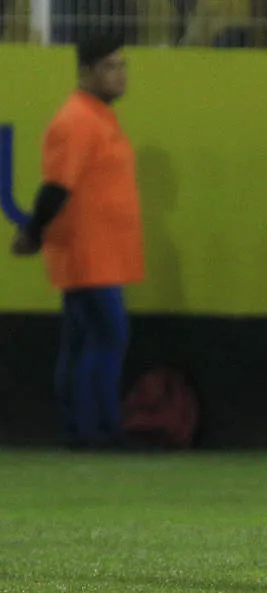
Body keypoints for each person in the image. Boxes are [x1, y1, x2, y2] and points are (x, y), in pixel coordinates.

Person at [10, 33, 143, 449]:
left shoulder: (97, 117)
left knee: (84, 341)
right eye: (110, 66)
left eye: (122, 65)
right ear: (85, 72)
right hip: (89, 255)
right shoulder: (78, 120)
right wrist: (32, 231)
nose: (120, 74)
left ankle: (83, 428)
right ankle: (97, 432)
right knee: (106, 339)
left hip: (100, 255)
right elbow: (55, 188)